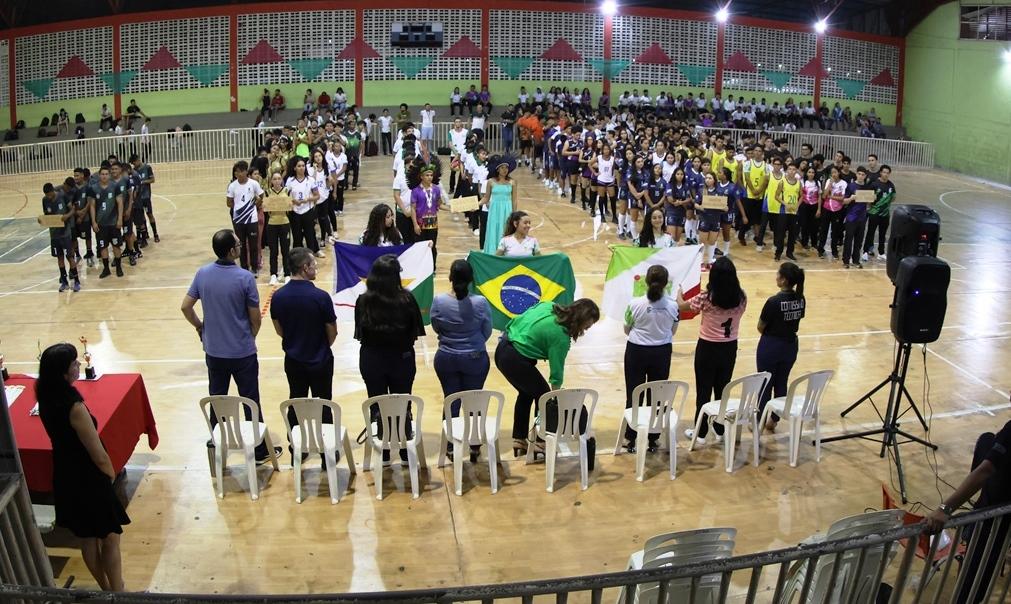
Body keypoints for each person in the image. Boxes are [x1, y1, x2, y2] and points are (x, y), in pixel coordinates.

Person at [181, 230, 280, 463]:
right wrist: (250, 335)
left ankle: (218, 442)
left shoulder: (202, 274)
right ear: (231, 251)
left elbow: (186, 306)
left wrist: (200, 327)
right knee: (250, 399)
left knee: (218, 397)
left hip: (214, 350)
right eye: (237, 243)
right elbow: (255, 317)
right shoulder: (244, 278)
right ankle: (258, 450)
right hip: (242, 352)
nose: (240, 245)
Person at [36, 343, 128, 591]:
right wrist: (110, 473)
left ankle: (105, 588)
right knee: (110, 536)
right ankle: (117, 591)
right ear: (63, 373)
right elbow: (97, 452)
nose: (78, 366)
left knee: (87, 538)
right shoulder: (74, 408)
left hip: (66, 475)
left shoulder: (44, 396)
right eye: (74, 363)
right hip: (88, 478)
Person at [494, 299, 600, 459]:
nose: (587, 329)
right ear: (580, 320)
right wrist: (555, 398)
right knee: (544, 397)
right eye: (587, 325)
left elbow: (522, 317)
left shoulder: (549, 306)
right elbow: (556, 375)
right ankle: (541, 442)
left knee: (526, 392)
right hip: (515, 359)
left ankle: (519, 439)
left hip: (503, 348)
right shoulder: (561, 337)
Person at [924, 416, 1011, 603]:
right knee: (987, 440)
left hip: (996, 520)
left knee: (973, 582)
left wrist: (944, 509)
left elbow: (985, 470)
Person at [354, 254, 426, 461]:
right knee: (403, 401)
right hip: (401, 359)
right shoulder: (407, 299)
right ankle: (404, 445)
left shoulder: (363, 301)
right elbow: (415, 332)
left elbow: (361, 333)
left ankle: (384, 447)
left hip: (372, 359)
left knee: (377, 402)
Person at [271, 247, 338, 460]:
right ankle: (328, 451)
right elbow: (332, 331)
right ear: (304, 267)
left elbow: (278, 329)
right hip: (320, 360)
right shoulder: (320, 297)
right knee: (324, 403)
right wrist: (320, 346)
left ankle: (296, 449)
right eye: (313, 265)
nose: (316, 268)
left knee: (296, 401)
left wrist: (294, 342)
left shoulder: (279, 296)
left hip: (293, 360)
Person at [678, 256, 747, 443]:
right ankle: (720, 428)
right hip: (730, 347)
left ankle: (700, 432)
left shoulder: (706, 298)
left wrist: (679, 292)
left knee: (704, 390)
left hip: (708, 348)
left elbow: (681, 307)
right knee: (722, 390)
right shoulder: (742, 297)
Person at [430, 260, 493, 458]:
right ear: (471, 280)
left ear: (450, 278)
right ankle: (474, 444)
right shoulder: (480, 303)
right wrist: (473, 343)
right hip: (475, 358)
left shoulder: (439, 301)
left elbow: (436, 326)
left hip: (446, 357)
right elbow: (487, 330)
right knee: (474, 400)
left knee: (451, 400)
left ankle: (450, 443)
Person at [621, 265, 679, 452]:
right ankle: (653, 438)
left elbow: (626, 329)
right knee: (657, 395)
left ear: (646, 282)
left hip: (636, 351)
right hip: (661, 353)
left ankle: (631, 438)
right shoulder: (673, 306)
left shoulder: (634, 304)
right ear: (665, 283)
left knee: (634, 393)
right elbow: (673, 331)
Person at [756, 262, 805, 431]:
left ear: (784, 280)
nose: (776, 276)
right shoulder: (801, 298)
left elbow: (760, 326)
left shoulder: (773, 301)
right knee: (781, 382)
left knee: (765, 384)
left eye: (778, 274)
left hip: (771, 345)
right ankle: (774, 420)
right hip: (790, 345)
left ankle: (759, 421)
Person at [407, 157, 449, 267]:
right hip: (420, 223)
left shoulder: (436, 189)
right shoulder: (415, 191)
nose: (430, 177)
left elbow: (439, 205)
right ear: (421, 176)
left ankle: (432, 267)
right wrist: (415, 224)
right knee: (420, 246)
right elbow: (413, 208)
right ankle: (421, 267)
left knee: (432, 245)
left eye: (431, 175)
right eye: (427, 175)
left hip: (433, 223)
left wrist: (451, 208)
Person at [226, 160, 264, 273]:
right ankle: (244, 268)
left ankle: (255, 267)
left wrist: (255, 205)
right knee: (241, 246)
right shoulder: (232, 186)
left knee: (253, 245)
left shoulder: (253, 184)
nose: (238, 174)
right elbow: (228, 203)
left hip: (252, 219)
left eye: (241, 171)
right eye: (236, 172)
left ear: (246, 171)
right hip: (238, 220)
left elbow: (261, 196)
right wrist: (239, 208)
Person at [42, 182, 80, 292]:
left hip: (65, 232)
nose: (48, 197)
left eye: (50, 194)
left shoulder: (62, 196)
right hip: (54, 234)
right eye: (47, 195)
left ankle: (77, 281)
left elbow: (73, 209)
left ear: (53, 191)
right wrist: (42, 220)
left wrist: (66, 216)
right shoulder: (45, 200)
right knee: (59, 257)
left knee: (69, 257)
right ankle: (64, 281)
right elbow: (46, 215)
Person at [89, 164, 124, 279]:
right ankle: (106, 269)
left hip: (113, 223)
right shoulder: (94, 188)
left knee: (116, 245)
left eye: (106, 174)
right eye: (102, 174)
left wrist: (119, 219)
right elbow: (92, 206)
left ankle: (119, 267)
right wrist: (94, 222)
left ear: (109, 175)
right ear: (99, 175)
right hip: (101, 224)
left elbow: (120, 203)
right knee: (103, 247)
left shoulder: (115, 186)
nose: (104, 176)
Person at [481, 155, 518, 255]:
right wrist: (475, 205)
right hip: (494, 211)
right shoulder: (491, 182)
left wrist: (515, 216)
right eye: (502, 168)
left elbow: (514, 200)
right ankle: (493, 254)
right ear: (497, 169)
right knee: (494, 231)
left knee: (506, 231)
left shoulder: (512, 182)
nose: (505, 170)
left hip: (507, 211)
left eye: (506, 167)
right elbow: (486, 198)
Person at [285, 157, 321, 256]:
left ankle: (311, 256)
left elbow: (317, 196)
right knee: (297, 236)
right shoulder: (290, 181)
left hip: (307, 210)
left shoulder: (310, 180)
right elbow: (285, 196)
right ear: (294, 168)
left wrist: (307, 199)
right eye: (299, 166)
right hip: (295, 212)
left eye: (303, 166)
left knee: (310, 235)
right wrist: (293, 200)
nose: (301, 168)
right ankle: (298, 257)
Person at [262, 171, 293, 285]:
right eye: (274, 179)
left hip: (284, 223)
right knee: (273, 251)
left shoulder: (287, 191)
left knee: (286, 250)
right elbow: (265, 208)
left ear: (282, 180)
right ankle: (273, 274)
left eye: (279, 178)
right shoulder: (267, 192)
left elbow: (291, 208)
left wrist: (290, 205)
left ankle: (287, 274)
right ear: (271, 181)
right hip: (272, 224)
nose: (277, 181)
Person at [842, 167, 872, 269]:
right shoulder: (851, 186)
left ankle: (856, 260)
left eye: (863, 174)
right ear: (856, 174)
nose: (861, 176)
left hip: (862, 217)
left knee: (859, 240)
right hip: (851, 217)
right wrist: (851, 198)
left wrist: (872, 199)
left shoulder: (868, 187)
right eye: (859, 174)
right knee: (848, 239)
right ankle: (846, 260)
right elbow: (844, 201)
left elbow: (869, 204)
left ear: (865, 176)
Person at [863, 165, 894, 262]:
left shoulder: (891, 185)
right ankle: (865, 252)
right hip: (874, 213)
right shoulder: (874, 184)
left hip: (885, 214)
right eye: (884, 172)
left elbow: (893, 197)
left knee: (882, 234)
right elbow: (868, 198)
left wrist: (885, 203)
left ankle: (881, 252)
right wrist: (872, 203)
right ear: (880, 173)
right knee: (870, 233)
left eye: (887, 173)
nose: (885, 174)